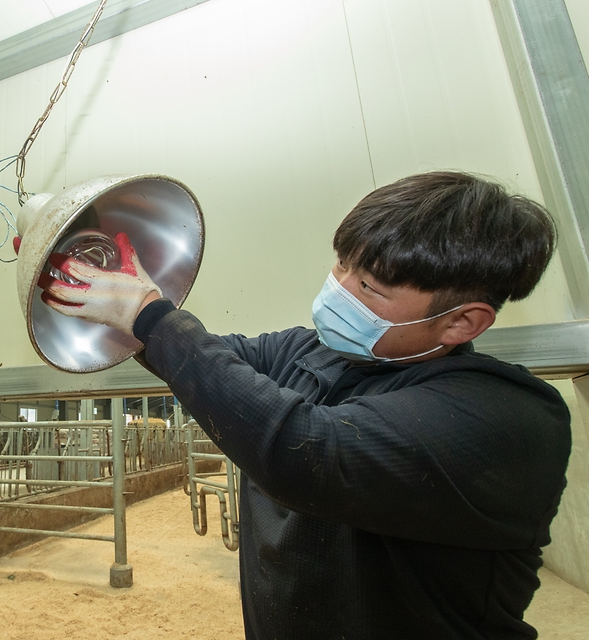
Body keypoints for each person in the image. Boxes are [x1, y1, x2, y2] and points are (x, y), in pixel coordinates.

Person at [34, 171, 572, 639]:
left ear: (462, 321)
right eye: (340, 265)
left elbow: (304, 452)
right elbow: (202, 364)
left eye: (368, 287)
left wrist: (149, 316)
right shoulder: (306, 353)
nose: (337, 289)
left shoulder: (508, 419)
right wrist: (95, 286)